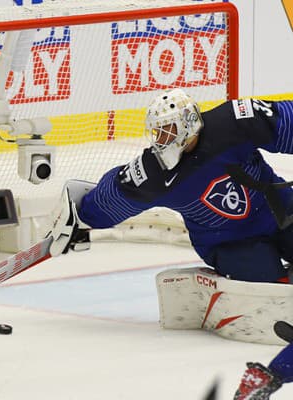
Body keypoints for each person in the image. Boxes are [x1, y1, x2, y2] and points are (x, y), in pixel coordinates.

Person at [47, 88, 293, 400]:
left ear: (190, 123)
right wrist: (80, 217)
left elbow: (287, 123)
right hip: (228, 241)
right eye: (158, 132)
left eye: (169, 130)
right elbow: (111, 199)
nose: (162, 139)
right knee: (266, 280)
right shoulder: (154, 173)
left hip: (281, 212)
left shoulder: (235, 122)